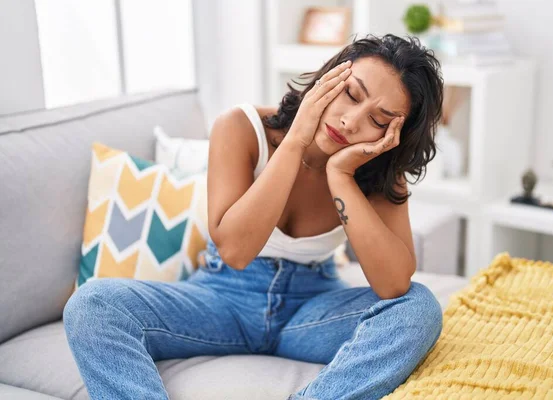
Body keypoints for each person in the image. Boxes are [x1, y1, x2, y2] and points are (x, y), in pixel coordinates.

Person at [63, 34, 445, 400]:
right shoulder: (242, 127)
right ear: (330, 76)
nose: (350, 121)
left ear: (394, 134)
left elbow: (394, 285)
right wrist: (296, 141)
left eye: (378, 120)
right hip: (221, 298)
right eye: (350, 94)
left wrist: (341, 176)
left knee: (420, 308)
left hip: (309, 309)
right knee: (94, 304)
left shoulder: (376, 168)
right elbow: (235, 251)